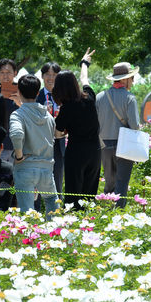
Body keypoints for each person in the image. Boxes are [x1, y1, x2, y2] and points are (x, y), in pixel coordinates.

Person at [52, 48, 101, 208]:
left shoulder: (66, 108)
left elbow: (57, 134)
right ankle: (89, 222)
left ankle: (73, 222)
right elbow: (84, 78)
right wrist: (84, 62)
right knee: (89, 193)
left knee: (73, 192)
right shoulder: (89, 96)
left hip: (76, 152)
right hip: (95, 151)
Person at [9, 74, 58, 218]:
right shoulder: (49, 117)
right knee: (52, 204)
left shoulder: (18, 114)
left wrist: (19, 156)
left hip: (25, 168)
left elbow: (17, 134)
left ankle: (30, 239)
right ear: (38, 93)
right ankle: (53, 235)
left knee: (27, 212)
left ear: (19, 92)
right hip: (47, 168)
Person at [96, 62, 140, 208]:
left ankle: (106, 210)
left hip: (104, 144)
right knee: (121, 183)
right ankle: (119, 214)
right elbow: (134, 126)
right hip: (124, 144)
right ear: (125, 79)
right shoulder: (130, 98)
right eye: (131, 78)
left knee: (109, 181)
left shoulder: (100, 97)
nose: (133, 81)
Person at [36, 61, 65, 196]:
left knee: (58, 174)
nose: (51, 78)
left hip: (59, 142)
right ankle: (36, 210)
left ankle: (57, 204)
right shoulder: (36, 96)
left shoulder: (65, 96)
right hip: (41, 142)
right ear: (42, 76)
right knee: (38, 177)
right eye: (48, 74)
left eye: (54, 75)